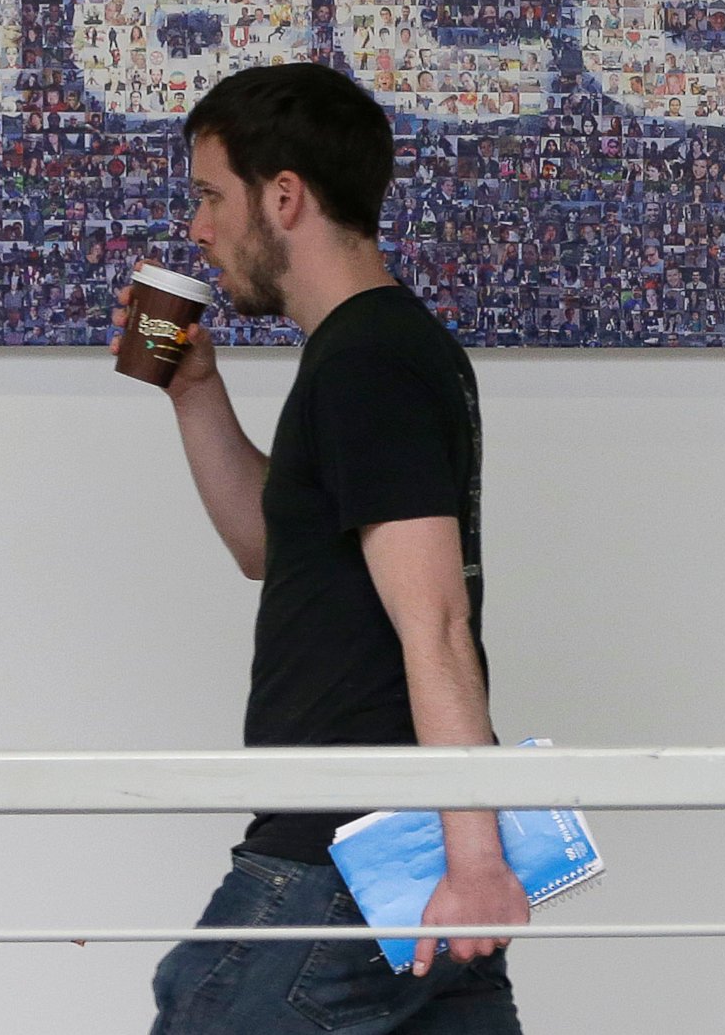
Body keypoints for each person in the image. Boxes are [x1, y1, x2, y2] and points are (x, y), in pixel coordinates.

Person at [118, 61, 529, 1035]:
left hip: (343, 852)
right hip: (402, 853)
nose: (199, 228)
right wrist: (194, 391)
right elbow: (271, 546)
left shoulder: (371, 362)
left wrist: (477, 859)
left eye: (212, 195)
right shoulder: (370, 354)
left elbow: (433, 617)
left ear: (286, 197)